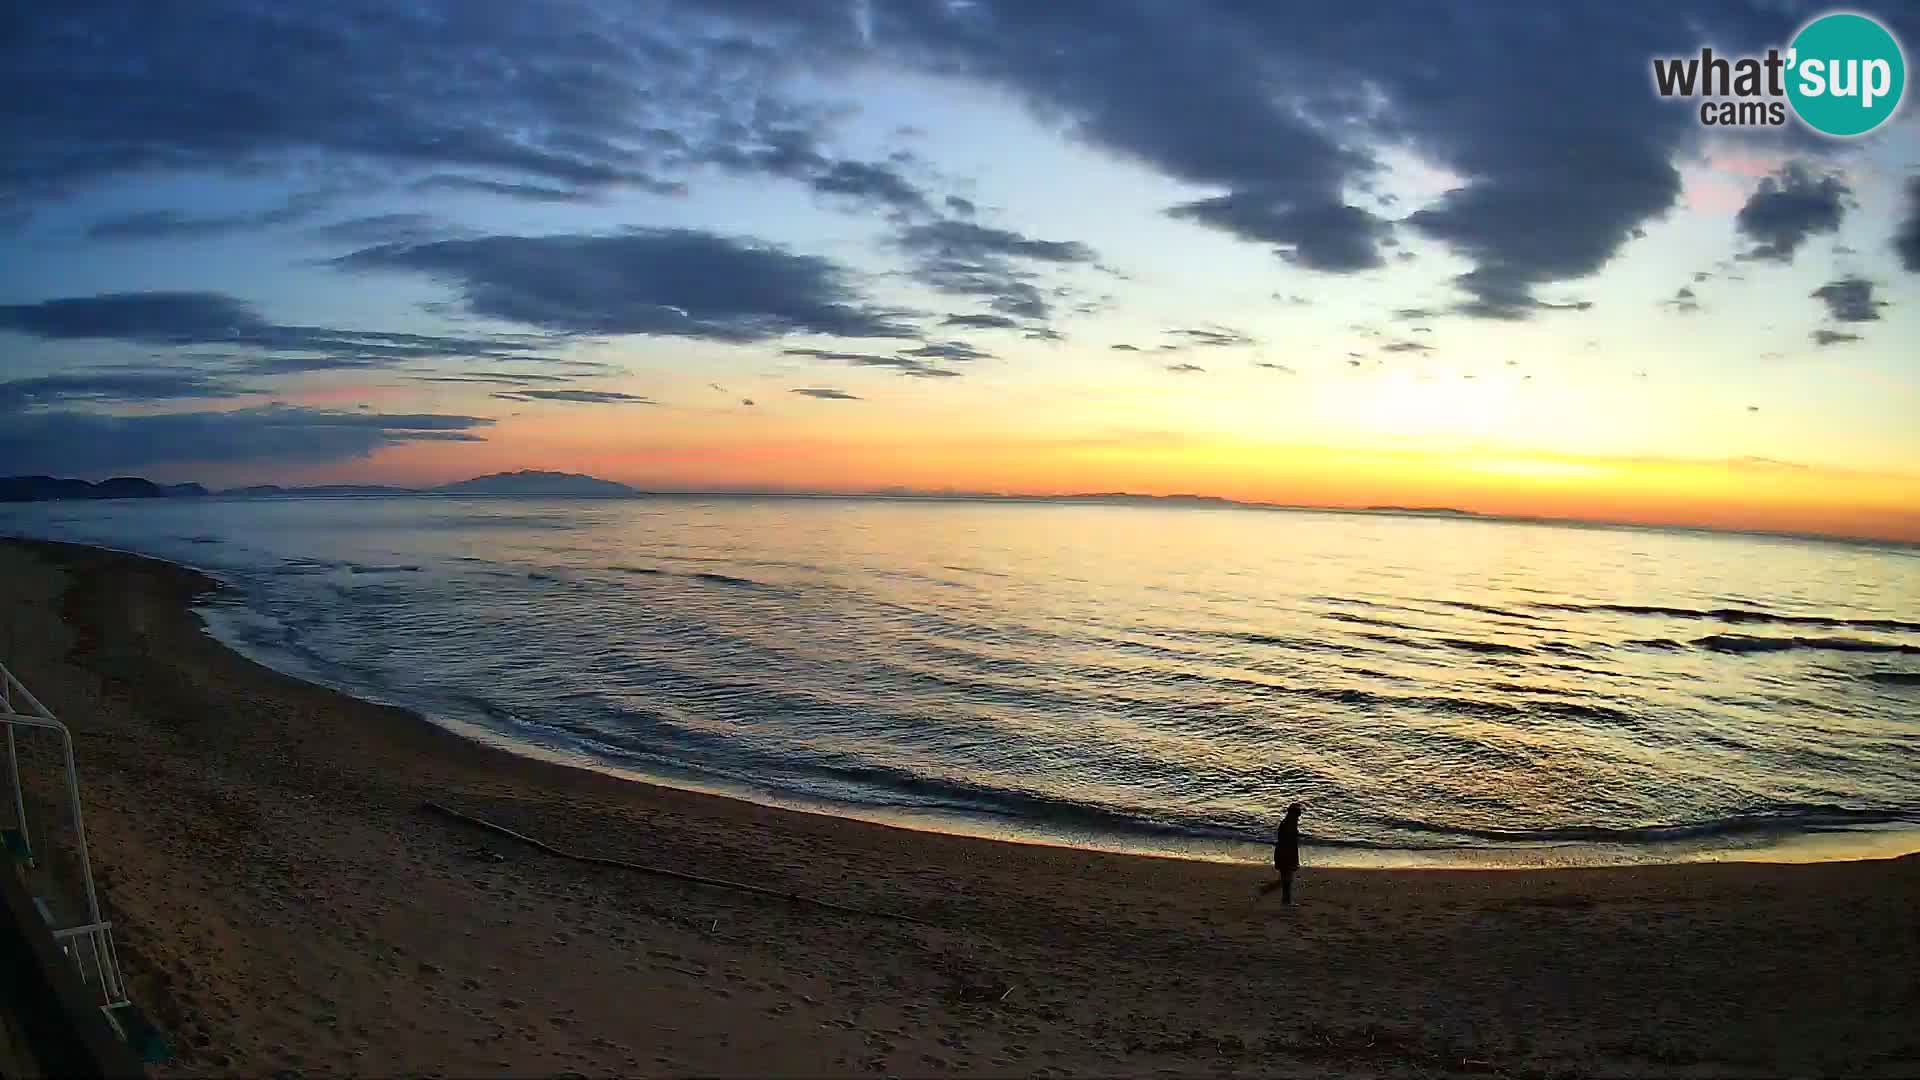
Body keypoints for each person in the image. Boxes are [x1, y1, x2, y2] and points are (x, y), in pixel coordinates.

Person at [1258, 802, 1303, 904]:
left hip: (1283, 853)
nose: (1299, 815)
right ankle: (1266, 890)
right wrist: (1293, 859)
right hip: (1285, 854)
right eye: (1298, 813)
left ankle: (1284, 899)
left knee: (1286, 880)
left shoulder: (1287, 823)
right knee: (1286, 880)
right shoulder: (1289, 824)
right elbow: (1289, 844)